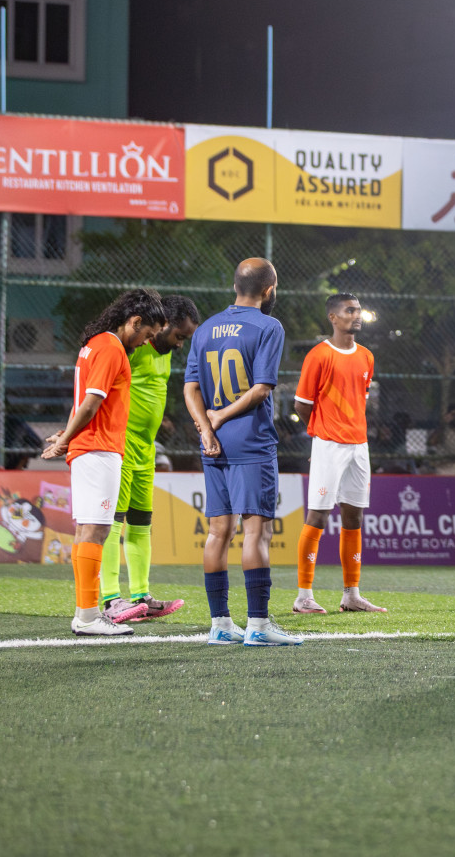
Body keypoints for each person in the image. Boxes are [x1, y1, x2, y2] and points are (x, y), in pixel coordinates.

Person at [183, 258, 301, 646]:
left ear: (236, 285)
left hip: (211, 443)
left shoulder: (204, 329)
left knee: (219, 531)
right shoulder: (269, 326)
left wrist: (206, 427)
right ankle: (259, 625)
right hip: (250, 440)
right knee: (257, 532)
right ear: (269, 289)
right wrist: (219, 418)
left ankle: (220, 624)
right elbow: (262, 389)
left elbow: (190, 389)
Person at [41, 289, 165, 637]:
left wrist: (67, 434)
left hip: (87, 448)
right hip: (100, 449)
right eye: (147, 334)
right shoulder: (111, 348)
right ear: (134, 321)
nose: (146, 342)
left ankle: (86, 614)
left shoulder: (93, 344)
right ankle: (89, 616)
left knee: (86, 531)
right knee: (96, 530)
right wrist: (65, 438)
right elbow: (92, 403)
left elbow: (83, 399)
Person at [98, 294, 200, 624]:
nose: (181, 344)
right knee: (113, 524)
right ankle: (111, 599)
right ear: (163, 326)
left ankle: (141, 596)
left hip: (146, 449)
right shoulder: (133, 348)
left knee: (142, 523)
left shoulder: (164, 351)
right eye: (179, 336)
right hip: (120, 445)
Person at [292, 293, 385, 615]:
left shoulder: (366, 357)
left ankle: (352, 595)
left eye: (358, 310)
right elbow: (301, 404)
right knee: (317, 516)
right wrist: (320, 436)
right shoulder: (319, 355)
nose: (356, 315)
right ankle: (303, 596)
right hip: (329, 445)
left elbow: (362, 398)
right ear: (333, 317)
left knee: (354, 517)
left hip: (359, 446)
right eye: (349, 310)